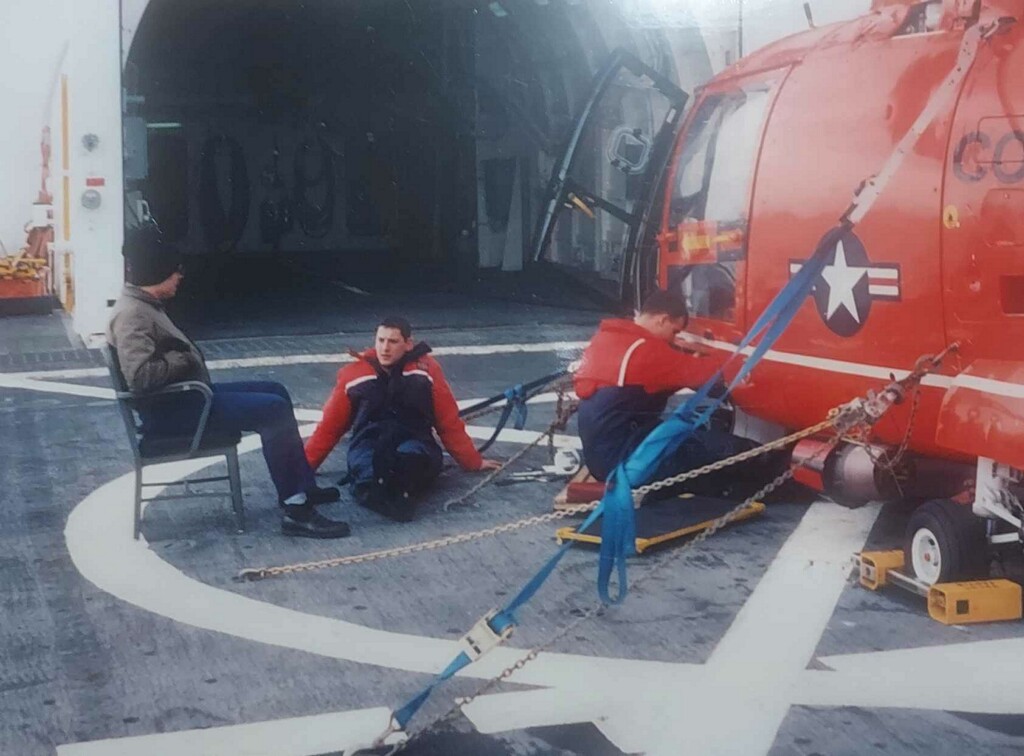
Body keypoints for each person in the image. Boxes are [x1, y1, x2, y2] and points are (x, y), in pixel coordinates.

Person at [107, 228, 351, 539]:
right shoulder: (133, 316)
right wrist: (186, 359)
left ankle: (302, 486)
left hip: (185, 400)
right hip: (174, 412)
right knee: (272, 410)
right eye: (175, 272)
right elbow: (141, 378)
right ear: (158, 272)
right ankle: (296, 510)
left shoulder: (143, 306)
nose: (179, 278)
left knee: (275, 391)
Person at [573, 287, 777, 499]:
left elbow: (653, 383)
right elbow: (706, 372)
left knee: (698, 442)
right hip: (626, 462)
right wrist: (746, 365)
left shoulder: (608, 338)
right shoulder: (645, 351)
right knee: (731, 451)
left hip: (602, 456)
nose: (674, 339)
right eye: (675, 332)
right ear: (662, 320)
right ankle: (784, 481)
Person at [305, 317, 501, 521]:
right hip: (369, 443)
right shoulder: (354, 375)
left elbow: (448, 422)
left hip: (415, 440)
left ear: (408, 344)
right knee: (368, 467)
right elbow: (329, 427)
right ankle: (386, 489)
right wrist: (305, 468)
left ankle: (396, 487)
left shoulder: (427, 370)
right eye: (380, 340)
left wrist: (472, 462)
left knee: (413, 459)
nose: (385, 348)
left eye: (393, 341)